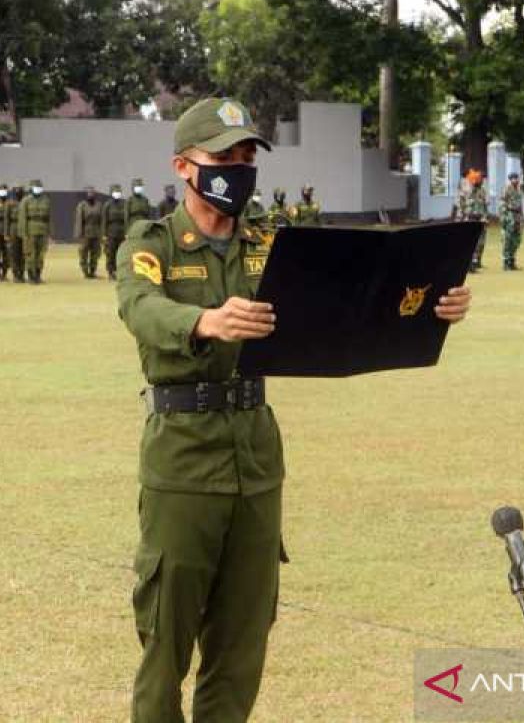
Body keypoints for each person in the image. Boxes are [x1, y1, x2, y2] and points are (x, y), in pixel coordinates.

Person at [116, 97, 473, 722]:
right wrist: (206, 320)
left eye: (247, 156)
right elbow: (140, 308)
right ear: (183, 166)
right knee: (166, 644)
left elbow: (350, 309)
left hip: (256, 460)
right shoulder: (153, 244)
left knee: (243, 642)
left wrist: (427, 306)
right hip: (183, 458)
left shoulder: (271, 245)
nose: (239, 167)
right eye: (223, 157)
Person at [20, 179, 52, 284]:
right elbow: (23, 218)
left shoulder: (46, 200)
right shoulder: (26, 201)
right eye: (35, 187)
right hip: (30, 231)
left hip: (42, 231)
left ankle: (38, 275)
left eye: (39, 187)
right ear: (31, 188)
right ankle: (31, 276)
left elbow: (49, 218)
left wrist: (49, 233)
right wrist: (24, 234)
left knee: (40, 255)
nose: (37, 189)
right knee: (30, 254)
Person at [456, 170, 488, 271]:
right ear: (473, 180)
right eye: (479, 179)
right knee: (469, 243)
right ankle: (469, 265)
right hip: (469, 219)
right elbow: (460, 206)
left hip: (480, 219)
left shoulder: (482, 191)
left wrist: (485, 217)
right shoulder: (465, 191)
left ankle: (476, 262)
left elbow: (484, 206)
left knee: (481, 242)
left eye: (481, 179)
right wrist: (460, 219)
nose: (482, 181)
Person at [74, 186, 103, 278]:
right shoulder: (82, 205)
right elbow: (79, 220)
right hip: (85, 232)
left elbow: (102, 220)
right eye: (89, 193)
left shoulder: (99, 205)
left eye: (93, 193)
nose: (91, 195)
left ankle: (93, 271)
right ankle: (85, 271)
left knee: (96, 253)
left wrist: (102, 233)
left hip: (96, 232)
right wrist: (79, 234)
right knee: (83, 253)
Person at [102, 183, 128, 280]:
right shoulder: (107, 205)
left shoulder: (125, 204)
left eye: (118, 192)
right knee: (110, 252)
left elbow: (126, 219)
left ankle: (119, 271)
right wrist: (104, 234)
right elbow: (104, 220)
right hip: (111, 232)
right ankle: (110, 271)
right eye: (115, 192)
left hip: (122, 232)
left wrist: (127, 232)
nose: (117, 193)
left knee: (121, 253)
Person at [498, 173, 523, 271]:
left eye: (516, 178)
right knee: (508, 240)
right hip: (509, 217)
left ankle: (512, 261)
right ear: (510, 180)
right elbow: (502, 204)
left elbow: (520, 205)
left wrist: (522, 216)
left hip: (517, 218)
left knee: (516, 240)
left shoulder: (518, 190)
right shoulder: (507, 189)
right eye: (513, 179)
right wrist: (504, 218)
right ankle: (506, 263)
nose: (515, 180)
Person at [7, 186, 27, 283]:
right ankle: (15, 274)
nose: (19, 193)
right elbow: (7, 220)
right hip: (13, 229)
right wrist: (6, 233)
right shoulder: (10, 204)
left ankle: (22, 273)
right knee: (14, 253)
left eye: (21, 192)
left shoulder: (26, 203)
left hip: (23, 230)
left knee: (24, 253)